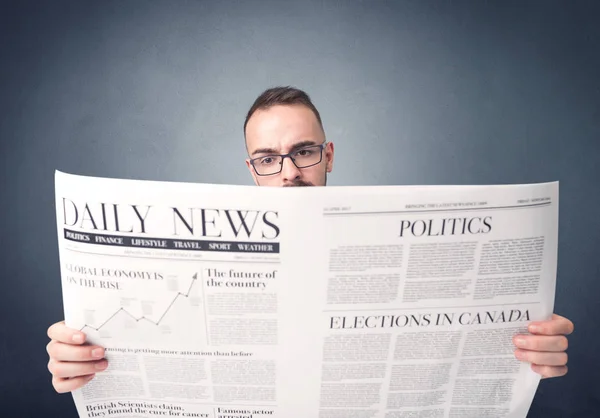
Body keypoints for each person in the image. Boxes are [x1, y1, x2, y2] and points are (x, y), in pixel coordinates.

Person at [46, 86, 574, 393]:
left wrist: (529, 353)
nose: (289, 173)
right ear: (252, 170)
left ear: (329, 156)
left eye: (304, 152)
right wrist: (84, 359)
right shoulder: (192, 271)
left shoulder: (394, 252)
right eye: (268, 159)